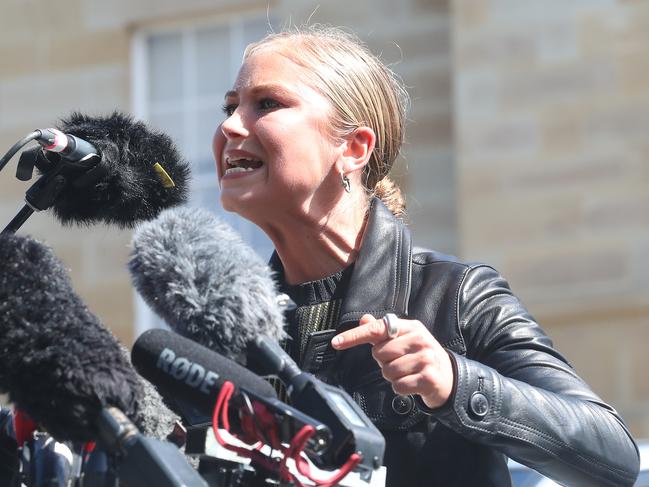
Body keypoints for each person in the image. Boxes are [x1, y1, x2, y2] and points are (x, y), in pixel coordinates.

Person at [212, 25, 640, 486]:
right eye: (231, 107)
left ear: (354, 148)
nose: (230, 126)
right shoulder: (230, 328)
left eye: (267, 104)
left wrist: (454, 382)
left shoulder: (455, 296)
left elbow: (612, 455)